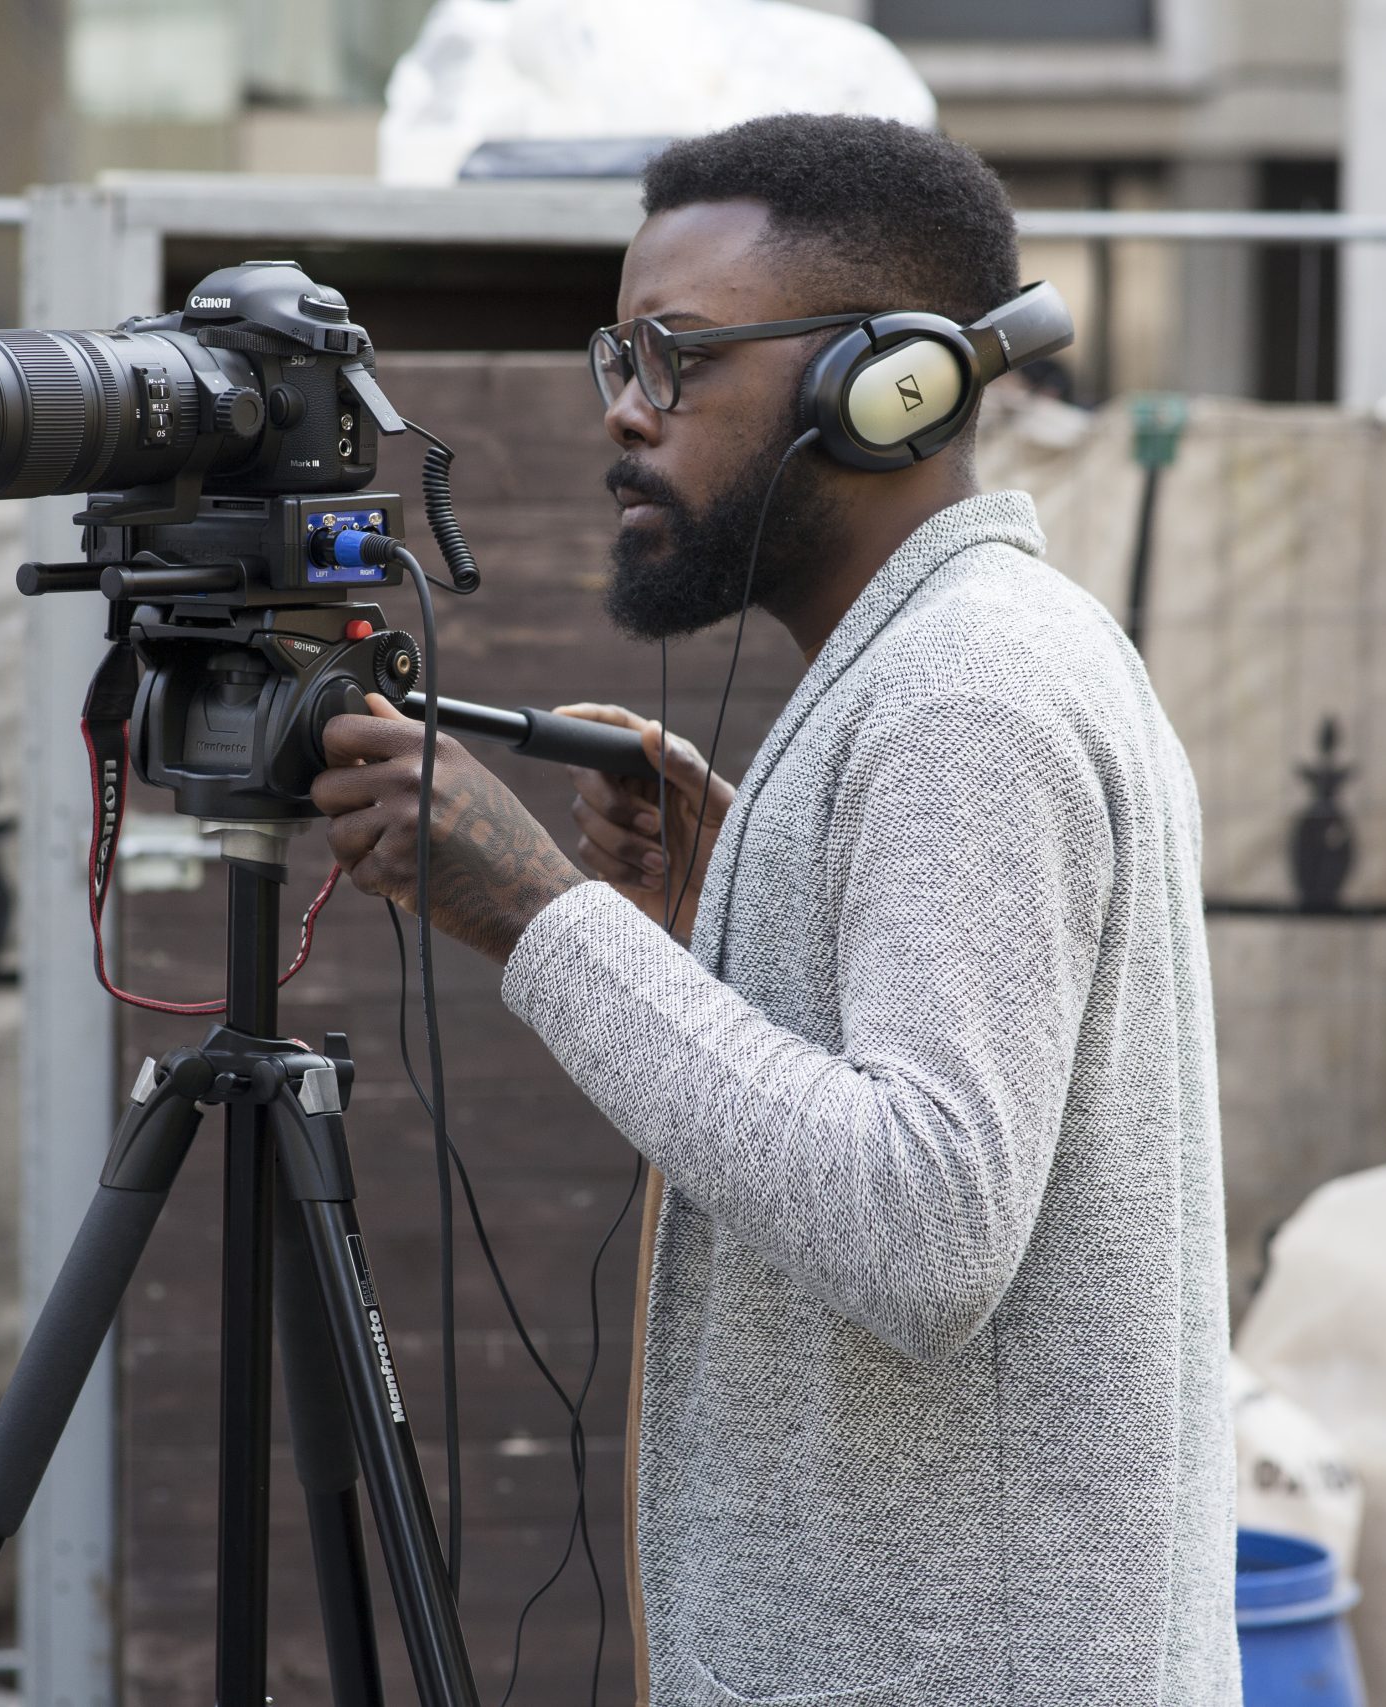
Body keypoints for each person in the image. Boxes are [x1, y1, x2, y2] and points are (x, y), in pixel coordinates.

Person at [312, 116, 1237, 1706]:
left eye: (675, 357)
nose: (624, 405)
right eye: (619, 354)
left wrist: (540, 914)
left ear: (889, 388)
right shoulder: (946, 662)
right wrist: (722, 916)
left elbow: (925, 1225)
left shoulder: (971, 692)